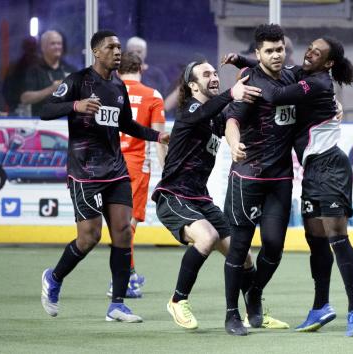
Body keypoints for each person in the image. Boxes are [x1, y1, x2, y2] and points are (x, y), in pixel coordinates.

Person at [225, 37, 353, 336]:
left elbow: (276, 94)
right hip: (312, 172)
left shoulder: (318, 83)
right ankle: (321, 306)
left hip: (330, 167)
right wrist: (244, 63)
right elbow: (273, 67)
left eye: (317, 52)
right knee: (315, 240)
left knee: (336, 237)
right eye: (310, 48)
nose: (310, 52)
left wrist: (245, 82)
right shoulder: (303, 74)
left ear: (328, 63)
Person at [39, 30, 170, 323]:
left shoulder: (118, 86)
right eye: (111, 47)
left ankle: (117, 305)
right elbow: (45, 110)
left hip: (115, 169)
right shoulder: (77, 81)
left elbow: (126, 124)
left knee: (123, 231)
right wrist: (76, 105)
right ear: (96, 52)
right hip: (84, 172)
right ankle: (54, 277)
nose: (117, 51)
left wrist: (157, 136)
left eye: (119, 47)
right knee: (90, 238)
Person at [153, 60, 287, 332]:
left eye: (215, 72)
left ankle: (253, 312)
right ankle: (178, 300)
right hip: (174, 195)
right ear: (192, 85)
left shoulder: (217, 115)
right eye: (206, 74)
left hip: (201, 199)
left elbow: (231, 121)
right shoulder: (191, 109)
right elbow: (201, 114)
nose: (214, 77)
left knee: (245, 255)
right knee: (207, 237)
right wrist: (231, 94)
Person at [222, 23, 297, 336]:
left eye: (279, 49)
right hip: (247, 176)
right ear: (258, 53)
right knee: (239, 248)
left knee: (274, 248)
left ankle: (254, 293)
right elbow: (232, 120)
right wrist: (233, 143)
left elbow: (317, 90)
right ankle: (231, 314)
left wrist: (334, 105)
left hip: (280, 178)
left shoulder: (293, 77)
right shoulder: (251, 84)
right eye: (269, 51)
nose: (276, 55)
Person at [105, 51, 168, 299]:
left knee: (117, 224)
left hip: (106, 164)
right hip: (134, 166)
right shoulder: (152, 96)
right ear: (141, 68)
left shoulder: (107, 92)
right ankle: (119, 280)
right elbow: (159, 140)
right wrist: (167, 171)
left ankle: (128, 272)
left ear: (118, 71)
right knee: (128, 225)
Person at [20, 30, 77, 117]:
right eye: (53, 44)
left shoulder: (71, 69)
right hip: (43, 123)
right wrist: (52, 89)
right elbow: (25, 98)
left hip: (66, 122)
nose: (57, 47)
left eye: (59, 43)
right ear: (43, 47)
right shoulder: (34, 70)